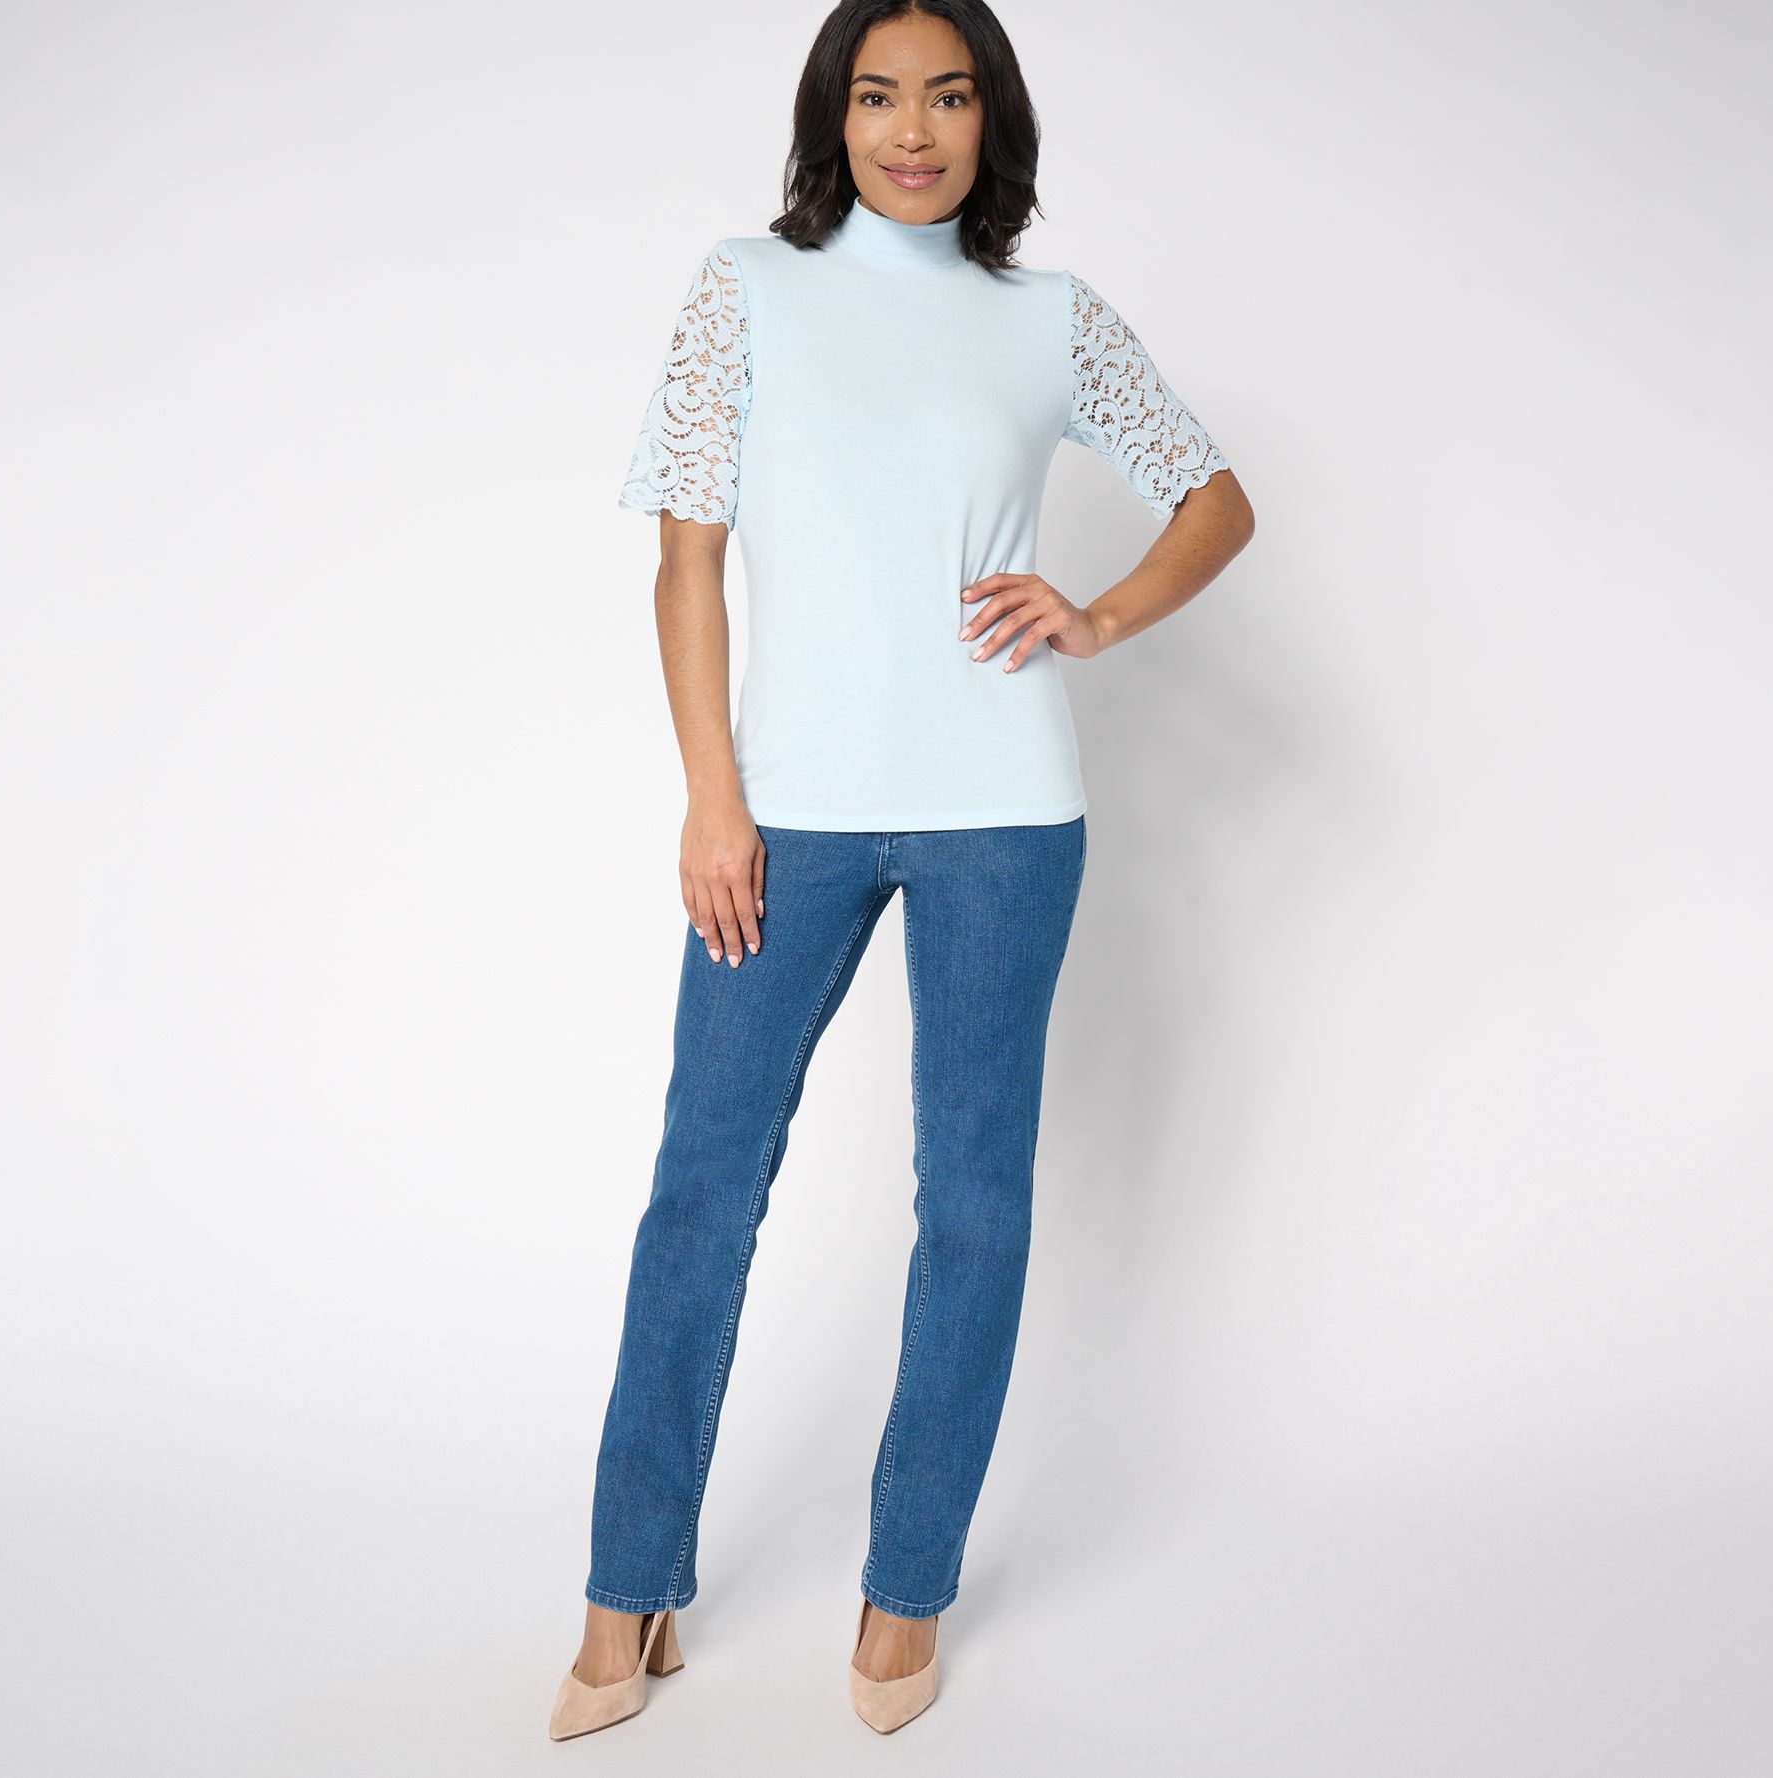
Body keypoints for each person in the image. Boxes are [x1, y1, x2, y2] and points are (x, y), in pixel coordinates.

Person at [550, 0, 1254, 1740]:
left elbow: (1216, 500)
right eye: (878, 97)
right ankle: (627, 1588)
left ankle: (904, 1591)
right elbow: (687, 564)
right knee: (702, 1184)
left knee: (974, 1202)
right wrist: (713, 800)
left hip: (1005, 817)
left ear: (989, 117)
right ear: (835, 116)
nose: (912, 130)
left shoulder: (1050, 318)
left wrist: (1097, 616)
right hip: (783, 816)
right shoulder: (747, 289)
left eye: (946, 96)